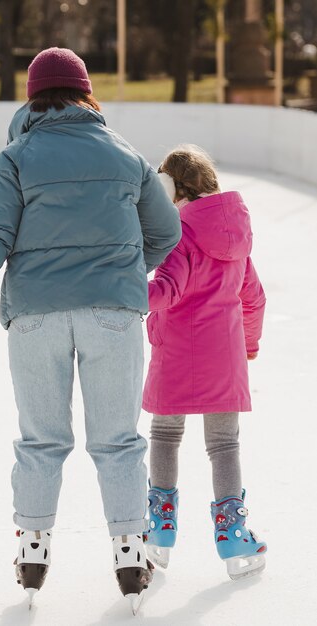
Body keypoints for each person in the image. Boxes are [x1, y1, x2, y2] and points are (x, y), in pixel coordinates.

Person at [0, 47, 181, 612]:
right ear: (85, 92)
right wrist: (120, 274)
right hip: (112, 317)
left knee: (42, 440)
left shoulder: (16, 157)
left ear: (32, 96)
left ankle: (33, 552)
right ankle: (129, 552)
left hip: (36, 317)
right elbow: (166, 233)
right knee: (117, 440)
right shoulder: (125, 155)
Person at [142, 145, 267, 580]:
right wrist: (248, 346)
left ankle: (159, 530)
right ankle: (232, 537)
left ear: (171, 191)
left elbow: (166, 291)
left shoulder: (179, 232)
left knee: (164, 434)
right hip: (225, 357)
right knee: (225, 445)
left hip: (176, 352)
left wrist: (120, 289)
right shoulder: (237, 236)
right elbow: (252, 297)